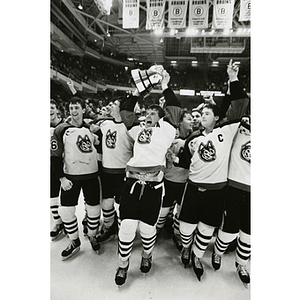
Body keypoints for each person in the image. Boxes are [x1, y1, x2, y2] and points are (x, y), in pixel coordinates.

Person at [168, 60, 249, 281]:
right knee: (186, 229)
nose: (202, 115)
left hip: (216, 191)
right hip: (193, 188)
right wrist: (173, 156)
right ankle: (186, 247)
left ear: (217, 116)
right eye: (201, 113)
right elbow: (183, 163)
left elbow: (240, 102)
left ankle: (196, 255)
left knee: (205, 230)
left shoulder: (228, 129)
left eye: (206, 112)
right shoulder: (193, 137)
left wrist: (233, 77)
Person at [115, 67, 182, 286]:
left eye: (154, 113)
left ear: (161, 118)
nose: (148, 115)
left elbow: (174, 110)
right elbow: (126, 112)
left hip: (154, 187)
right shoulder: (137, 130)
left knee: (146, 228)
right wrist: (137, 91)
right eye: (147, 113)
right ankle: (123, 264)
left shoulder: (166, 131)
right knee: (126, 226)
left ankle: (146, 254)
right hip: (132, 183)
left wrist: (164, 86)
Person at [51, 96, 102, 260]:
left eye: (76, 108)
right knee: (65, 212)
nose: (74, 111)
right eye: (71, 108)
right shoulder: (61, 129)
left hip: (92, 176)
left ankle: (93, 235)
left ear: (82, 109)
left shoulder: (91, 128)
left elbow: (101, 147)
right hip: (71, 177)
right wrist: (61, 178)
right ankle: (74, 241)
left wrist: (98, 133)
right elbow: (55, 157)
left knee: (94, 211)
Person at [211, 115, 251, 287]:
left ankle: (242, 264)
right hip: (234, 186)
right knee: (229, 229)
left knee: (249, 234)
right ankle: (217, 252)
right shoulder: (240, 124)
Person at [89, 97, 134, 244]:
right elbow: (92, 125)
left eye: (114, 104)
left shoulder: (130, 128)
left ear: (121, 109)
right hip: (106, 172)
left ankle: (123, 233)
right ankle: (109, 228)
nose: (111, 106)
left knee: (123, 205)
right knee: (106, 204)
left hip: (123, 173)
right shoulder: (105, 123)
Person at [156, 109, 193, 251]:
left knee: (180, 209)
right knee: (163, 208)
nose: (192, 121)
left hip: (185, 182)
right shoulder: (170, 139)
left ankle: (177, 234)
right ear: (179, 123)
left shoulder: (195, 138)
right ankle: (157, 229)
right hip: (169, 180)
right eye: (188, 118)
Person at [50, 99, 65, 240]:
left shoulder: (63, 127)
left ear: (57, 110)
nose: (49, 110)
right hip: (50, 165)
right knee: (51, 197)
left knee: (68, 200)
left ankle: (70, 222)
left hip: (66, 165)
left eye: (52, 107)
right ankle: (58, 222)